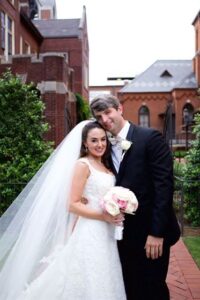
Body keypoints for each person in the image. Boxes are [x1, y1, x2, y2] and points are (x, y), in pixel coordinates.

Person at [0, 120, 126, 300]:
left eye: (103, 140)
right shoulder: (83, 165)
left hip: (107, 230)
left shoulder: (105, 166)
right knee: (89, 273)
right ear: (85, 143)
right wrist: (103, 216)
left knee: (105, 271)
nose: (100, 145)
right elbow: (72, 203)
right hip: (90, 229)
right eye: (94, 141)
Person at [90, 94, 181, 300]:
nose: (104, 119)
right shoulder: (103, 146)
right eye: (99, 116)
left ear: (119, 109)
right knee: (129, 288)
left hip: (151, 233)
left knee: (153, 288)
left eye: (107, 112)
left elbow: (164, 187)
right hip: (122, 235)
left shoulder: (150, 138)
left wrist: (156, 233)